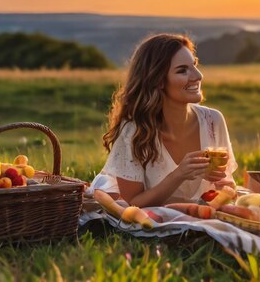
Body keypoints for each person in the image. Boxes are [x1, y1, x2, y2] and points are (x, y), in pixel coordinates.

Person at [87, 33, 237, 207]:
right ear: (158, 80)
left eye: (194, 65)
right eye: (182, 70)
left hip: (199, 213)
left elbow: (229, 187)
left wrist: (221, 185)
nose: (198, 76)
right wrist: (178, 175)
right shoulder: (134, 131)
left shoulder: (213, 120)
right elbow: (134, 203)